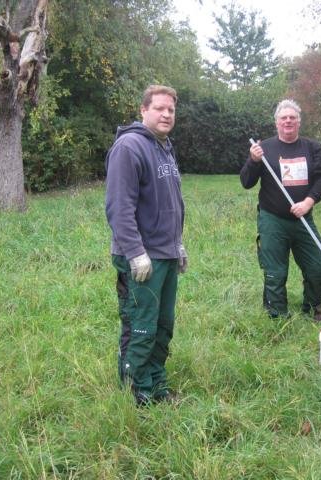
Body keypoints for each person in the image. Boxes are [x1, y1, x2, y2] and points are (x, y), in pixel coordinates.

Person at [105, 85, 187, 407]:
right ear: (143, 110)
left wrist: (178, 244)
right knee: (142, 327)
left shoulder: (165, 147)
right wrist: (135, 253)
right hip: (142, 258)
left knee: (162, 327)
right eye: (160, 108)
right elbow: (118, 207)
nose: (167, 114)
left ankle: (156, 386)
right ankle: (138, 394)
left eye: (171, 110)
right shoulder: (130, 147)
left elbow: (170, 204)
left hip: (165, 255)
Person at [240, 99, 321, 322]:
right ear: (276, 123)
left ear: (299, 122)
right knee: (276, 271)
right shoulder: (265, 149)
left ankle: (313, 309)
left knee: (317, 266)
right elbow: (246, 181)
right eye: (284, 118)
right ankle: (276, 314)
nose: (288, 121)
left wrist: (308, 202)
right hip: (272, 220)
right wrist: (253, 161)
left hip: (303, 219)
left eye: (292, 117)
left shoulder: (312, 147)